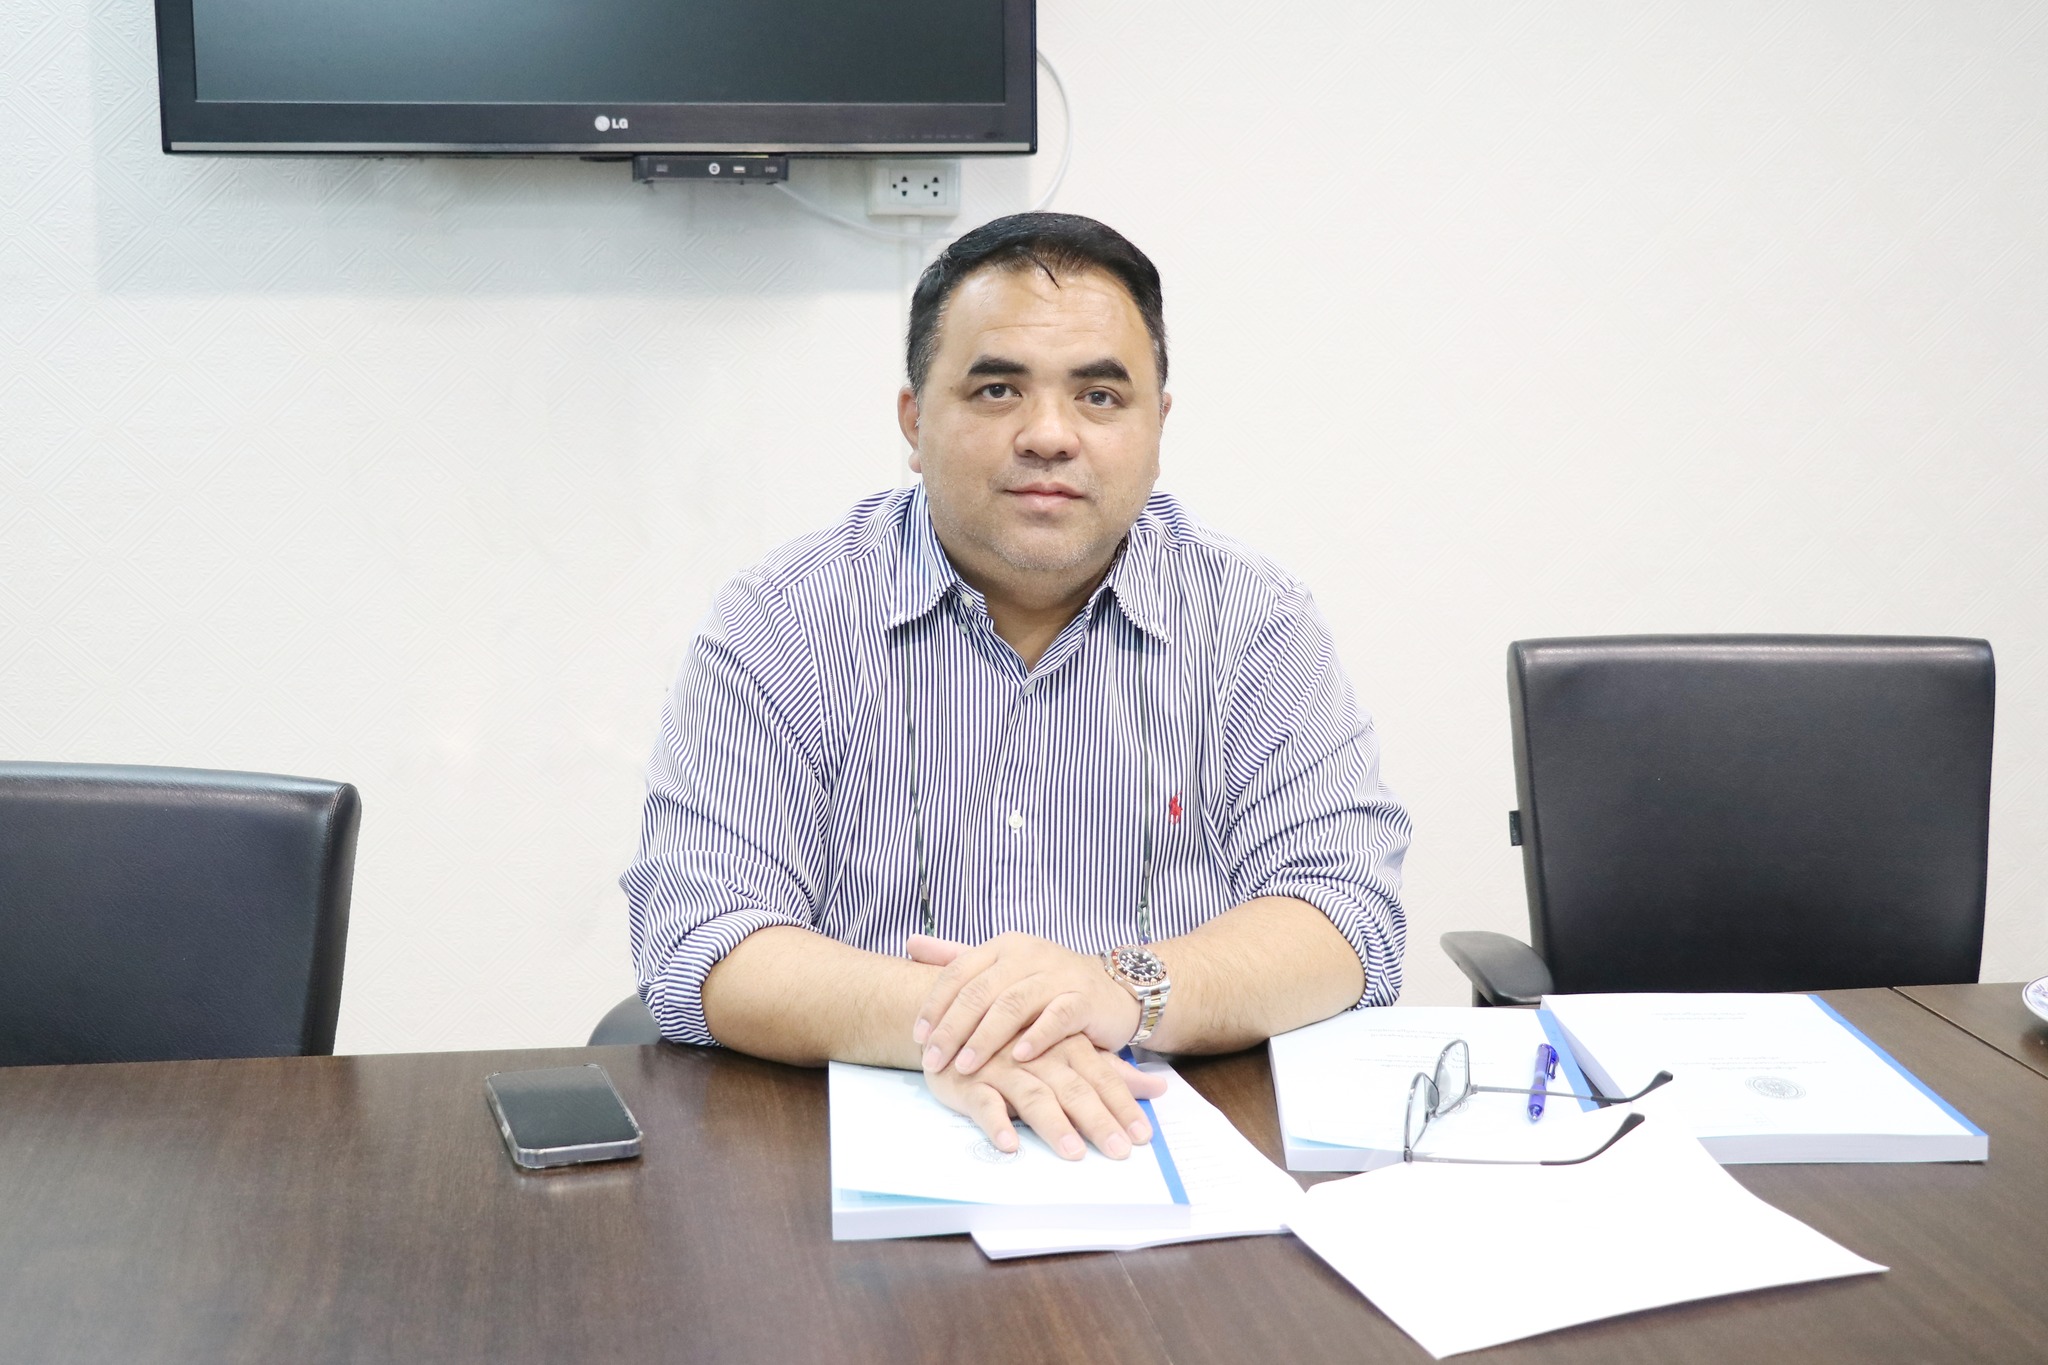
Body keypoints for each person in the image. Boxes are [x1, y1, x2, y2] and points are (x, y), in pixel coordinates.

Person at [623, 212, 1408, 1163]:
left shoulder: (1253, 621)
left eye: (1100, 396)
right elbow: (701, 937)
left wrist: (1121, 990)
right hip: (861, 1139)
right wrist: (965, 1023)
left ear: (1159, 427)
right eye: (997, 390)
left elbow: (1347, 914)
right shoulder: (781, 621)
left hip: (1172, 1140)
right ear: (915, 421)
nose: (1048, 435)